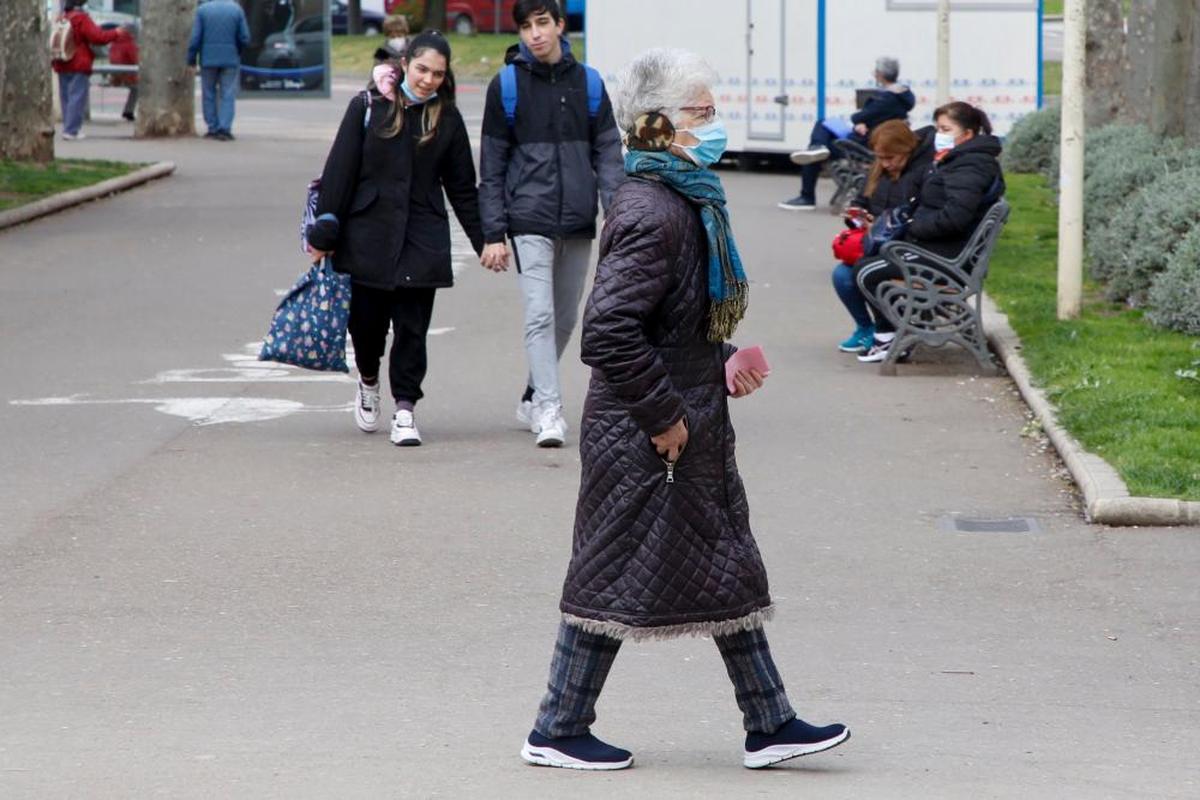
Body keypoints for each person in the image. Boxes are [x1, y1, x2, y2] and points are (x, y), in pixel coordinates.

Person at [518, 48, 850, 772]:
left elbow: (665, 322)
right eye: (703, 111)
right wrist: (666, 414)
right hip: (649, 431)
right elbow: (607, 330)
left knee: (721, 566)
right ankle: (557, 728)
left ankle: (770, 723)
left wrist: (720, 361)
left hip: (678, 417)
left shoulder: (682, 198)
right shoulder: (652, 210)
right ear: (659, 124)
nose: (716, 123)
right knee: (617, 569)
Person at [306, 32, 485, 447]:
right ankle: (369, 381)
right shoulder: (367, 107)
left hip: (422, 238)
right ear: (405, 64)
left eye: (438, 74)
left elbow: (462, 188)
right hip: (367, 235)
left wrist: (484, 240)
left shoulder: (447, 118)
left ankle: (405, 407)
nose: (428, 80)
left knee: (412, 329)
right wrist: (325, 231)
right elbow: (339, 171)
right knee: (366, 328)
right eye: (422, 69)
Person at [477, 0, 624, 448]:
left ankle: (532, 391)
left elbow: (609, 156)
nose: (535, 34)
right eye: (526, 26)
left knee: (564, 319)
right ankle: (549, 409)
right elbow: (493, 165)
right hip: (528, 219)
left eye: (543, 23)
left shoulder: (590, 84)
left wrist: (618, 220)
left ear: (561, 25)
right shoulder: (506, 86)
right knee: (539, 315)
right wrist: (493, 232)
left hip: (579, 219)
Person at [857, 101, 1005, 363]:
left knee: (867, 271)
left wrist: (913, 227)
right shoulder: (959, 160)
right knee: (864, 266)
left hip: (949, 259)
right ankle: (890, 334)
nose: (939, 135)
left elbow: (955, 217)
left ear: (967, 134)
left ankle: (890, 337)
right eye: (938, 128)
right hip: (943, 250)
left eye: (946, 129)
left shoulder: (972, 165)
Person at [832, 120, 935, 354]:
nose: (885, 163)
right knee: (842, 274)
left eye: (891, 158)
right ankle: (866, 328)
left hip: (903, 246)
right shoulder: (879, 170)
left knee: (860, 273)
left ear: (906, 151)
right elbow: (861, 200)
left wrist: (880, 225)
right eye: (880, 157)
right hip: (875, 242)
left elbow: (916, 216)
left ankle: (886, 330)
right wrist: (856, 215)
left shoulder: (923, 173)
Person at [779, 56, 914, 211]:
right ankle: (817, 147)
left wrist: (861, 121)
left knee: (819, 134)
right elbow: (872, 117)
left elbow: (860, 116)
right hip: (870, 139)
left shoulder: (889, 98)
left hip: (863, 145)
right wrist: (862, 122)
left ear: (880, 74)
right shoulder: (901, 96)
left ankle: (807, 195)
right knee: (822, 129)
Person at [51, 0, 125, 141]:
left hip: (62, 60)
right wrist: (115, 33)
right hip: (78, 61)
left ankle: (68, 127)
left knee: (66, 97)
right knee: (77, 97)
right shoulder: (81, 18)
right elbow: (97, 37)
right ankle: (72, 130)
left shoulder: (62, 17)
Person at [187, 0, 251, 141]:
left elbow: (195, 38)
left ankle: (212, 127)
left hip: (208, 59)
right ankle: (225, 128)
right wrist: (237, 50)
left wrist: (191, 58)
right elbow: (245, 37)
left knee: (208, 93)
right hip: (230, 58)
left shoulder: (202, 10)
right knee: (227, 93)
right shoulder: (236, 9)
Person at [109, 22, 139, 123]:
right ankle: (129, 110)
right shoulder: (129, 43)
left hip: (115, 74)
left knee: (136, 87)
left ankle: (128, 110)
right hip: (128, 74)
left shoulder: (114, 42)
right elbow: (135, 60)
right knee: (138, 87)